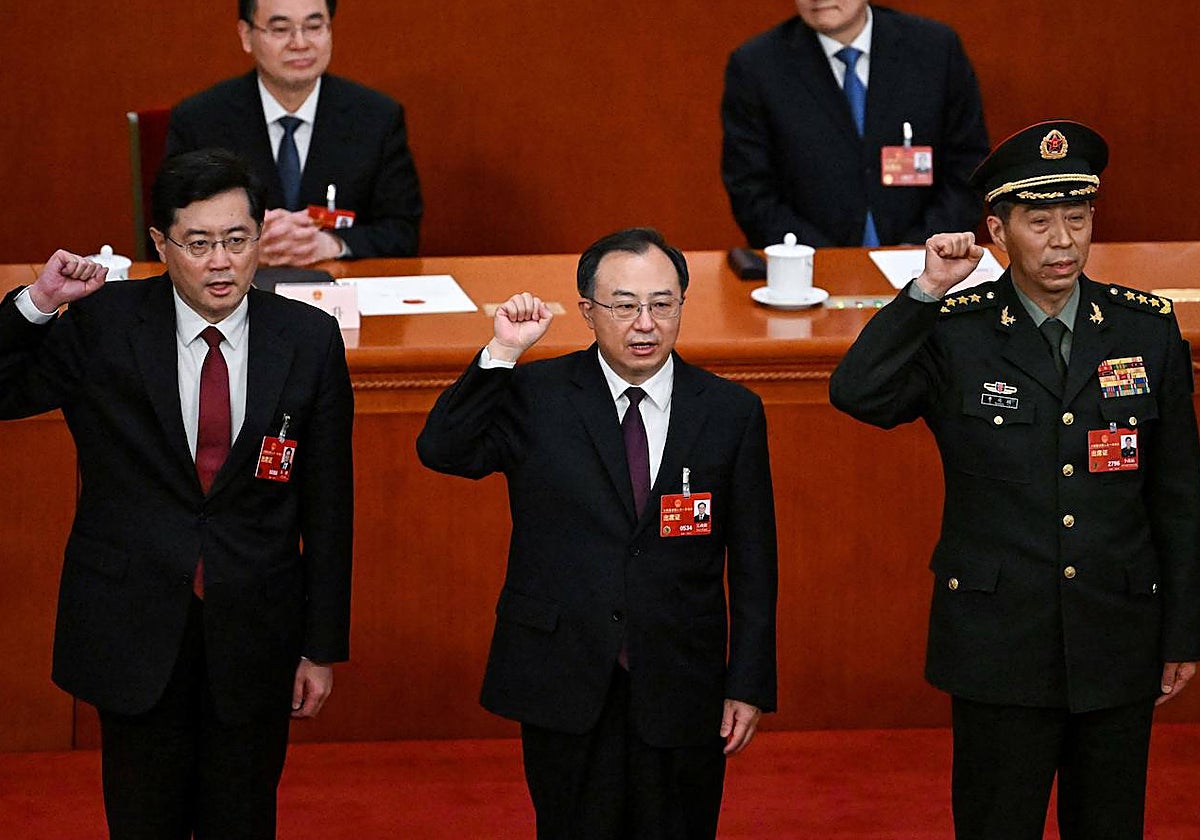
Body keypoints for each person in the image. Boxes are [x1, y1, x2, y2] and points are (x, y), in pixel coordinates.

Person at [829, 120, 1200, 839]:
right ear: (997, 232)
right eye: (1039, 222)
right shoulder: (956, 329)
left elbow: (1178, 496)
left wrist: (1182, 630)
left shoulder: (1144, 329)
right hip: (999, 644)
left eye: (1077, 217)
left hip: (1116, 633)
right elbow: (858, 393)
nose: (1063, 240)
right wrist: (926, 289)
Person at [0, 148, 355, 838]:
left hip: (257, 628)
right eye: (198, 243)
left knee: (243, 819)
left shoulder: (307, 339)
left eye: (236, 239)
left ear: (260, 237)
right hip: (132, 624)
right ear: (161, 244)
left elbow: (330, 505)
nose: (220, 262)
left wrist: (320, 646)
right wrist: (39, 304)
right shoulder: (103, 323)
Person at [417, 228, 778, 839]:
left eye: (662, 304)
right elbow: (444, 449)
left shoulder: (729, 411)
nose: (644, 323)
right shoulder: (535, 394)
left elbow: (754, 562)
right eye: (623, 305)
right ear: (587, 311)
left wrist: (747, 683)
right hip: (565, 675)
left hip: (681, 679)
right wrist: (502, 353)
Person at [166, 0, 422, 266]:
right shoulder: (200, 119)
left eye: (313, 26)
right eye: (280, 29)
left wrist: (332, 244)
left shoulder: (377, 117)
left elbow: (402, 231)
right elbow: (170, 228)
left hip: (340, 288)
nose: (300, 43)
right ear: (246, 36)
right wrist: (239, 245)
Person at [721, 1, 988, 248]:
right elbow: (749, 187)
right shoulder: (756, 65)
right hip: (809, 268)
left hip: (927, 257)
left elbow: (969, 165)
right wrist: (820, 260)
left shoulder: (936, 49)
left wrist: (922, 247)